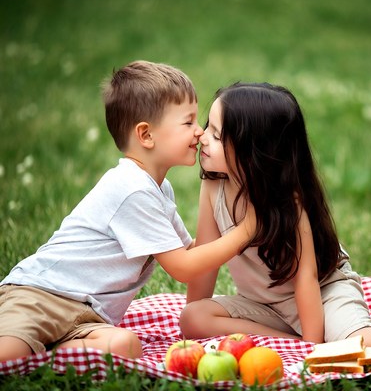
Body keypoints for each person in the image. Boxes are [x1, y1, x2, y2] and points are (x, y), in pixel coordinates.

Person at [0, 61, 254, 362]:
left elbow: (188, 250)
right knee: (7, 354)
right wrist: (246, 230)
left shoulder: (158, 189)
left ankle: (42, 355)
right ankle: (25, 351)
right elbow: (184, 267)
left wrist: (236, 219)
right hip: (41, 297)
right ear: (146, 135)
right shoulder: (132, 189)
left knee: (126, 347)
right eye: (188, 123)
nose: (199, 133)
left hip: (90, 316)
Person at [180, 82, 371, 347]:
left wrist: (312, 341)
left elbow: (305, 278)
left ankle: (332, 341)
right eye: (209, 127)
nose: (203, 136)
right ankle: (293, 342)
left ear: (253, 153)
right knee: (193, 318)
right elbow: (206, 257)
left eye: (217, 136)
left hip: (322, 294)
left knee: (368, 347)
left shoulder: (286, 200)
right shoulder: (214, 185)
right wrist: (192, 320)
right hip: (262, 306)